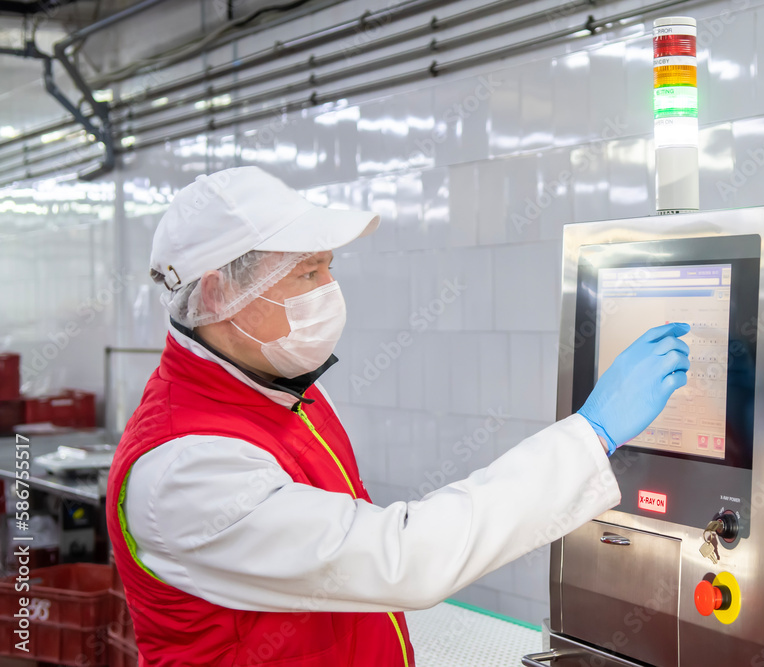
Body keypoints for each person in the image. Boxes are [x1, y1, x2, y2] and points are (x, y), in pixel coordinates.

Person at [105, 166, 690, 666]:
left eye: (328, 268)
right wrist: (594, 433)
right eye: (307, 274)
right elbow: (402, 560)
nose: (330, 290)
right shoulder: (186, 466)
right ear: (215, 296)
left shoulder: (275, 384)